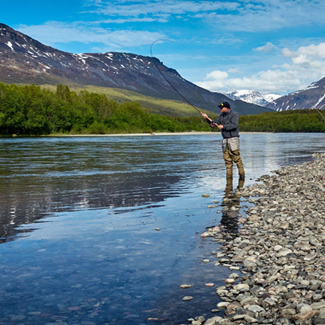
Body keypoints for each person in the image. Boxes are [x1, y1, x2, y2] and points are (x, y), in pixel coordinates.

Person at [201, 102, 245, 179]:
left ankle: (242, 177)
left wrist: (223, 126)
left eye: (222, 107)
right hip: (225, 140)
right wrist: (207, 118)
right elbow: (213, 124)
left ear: (226, 108)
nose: (220, 109)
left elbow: (234, 125)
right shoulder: (221, 116)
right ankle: (229, 179)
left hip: (233, 139)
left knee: (237, 159)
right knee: (227, 161)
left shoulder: (234, 114)